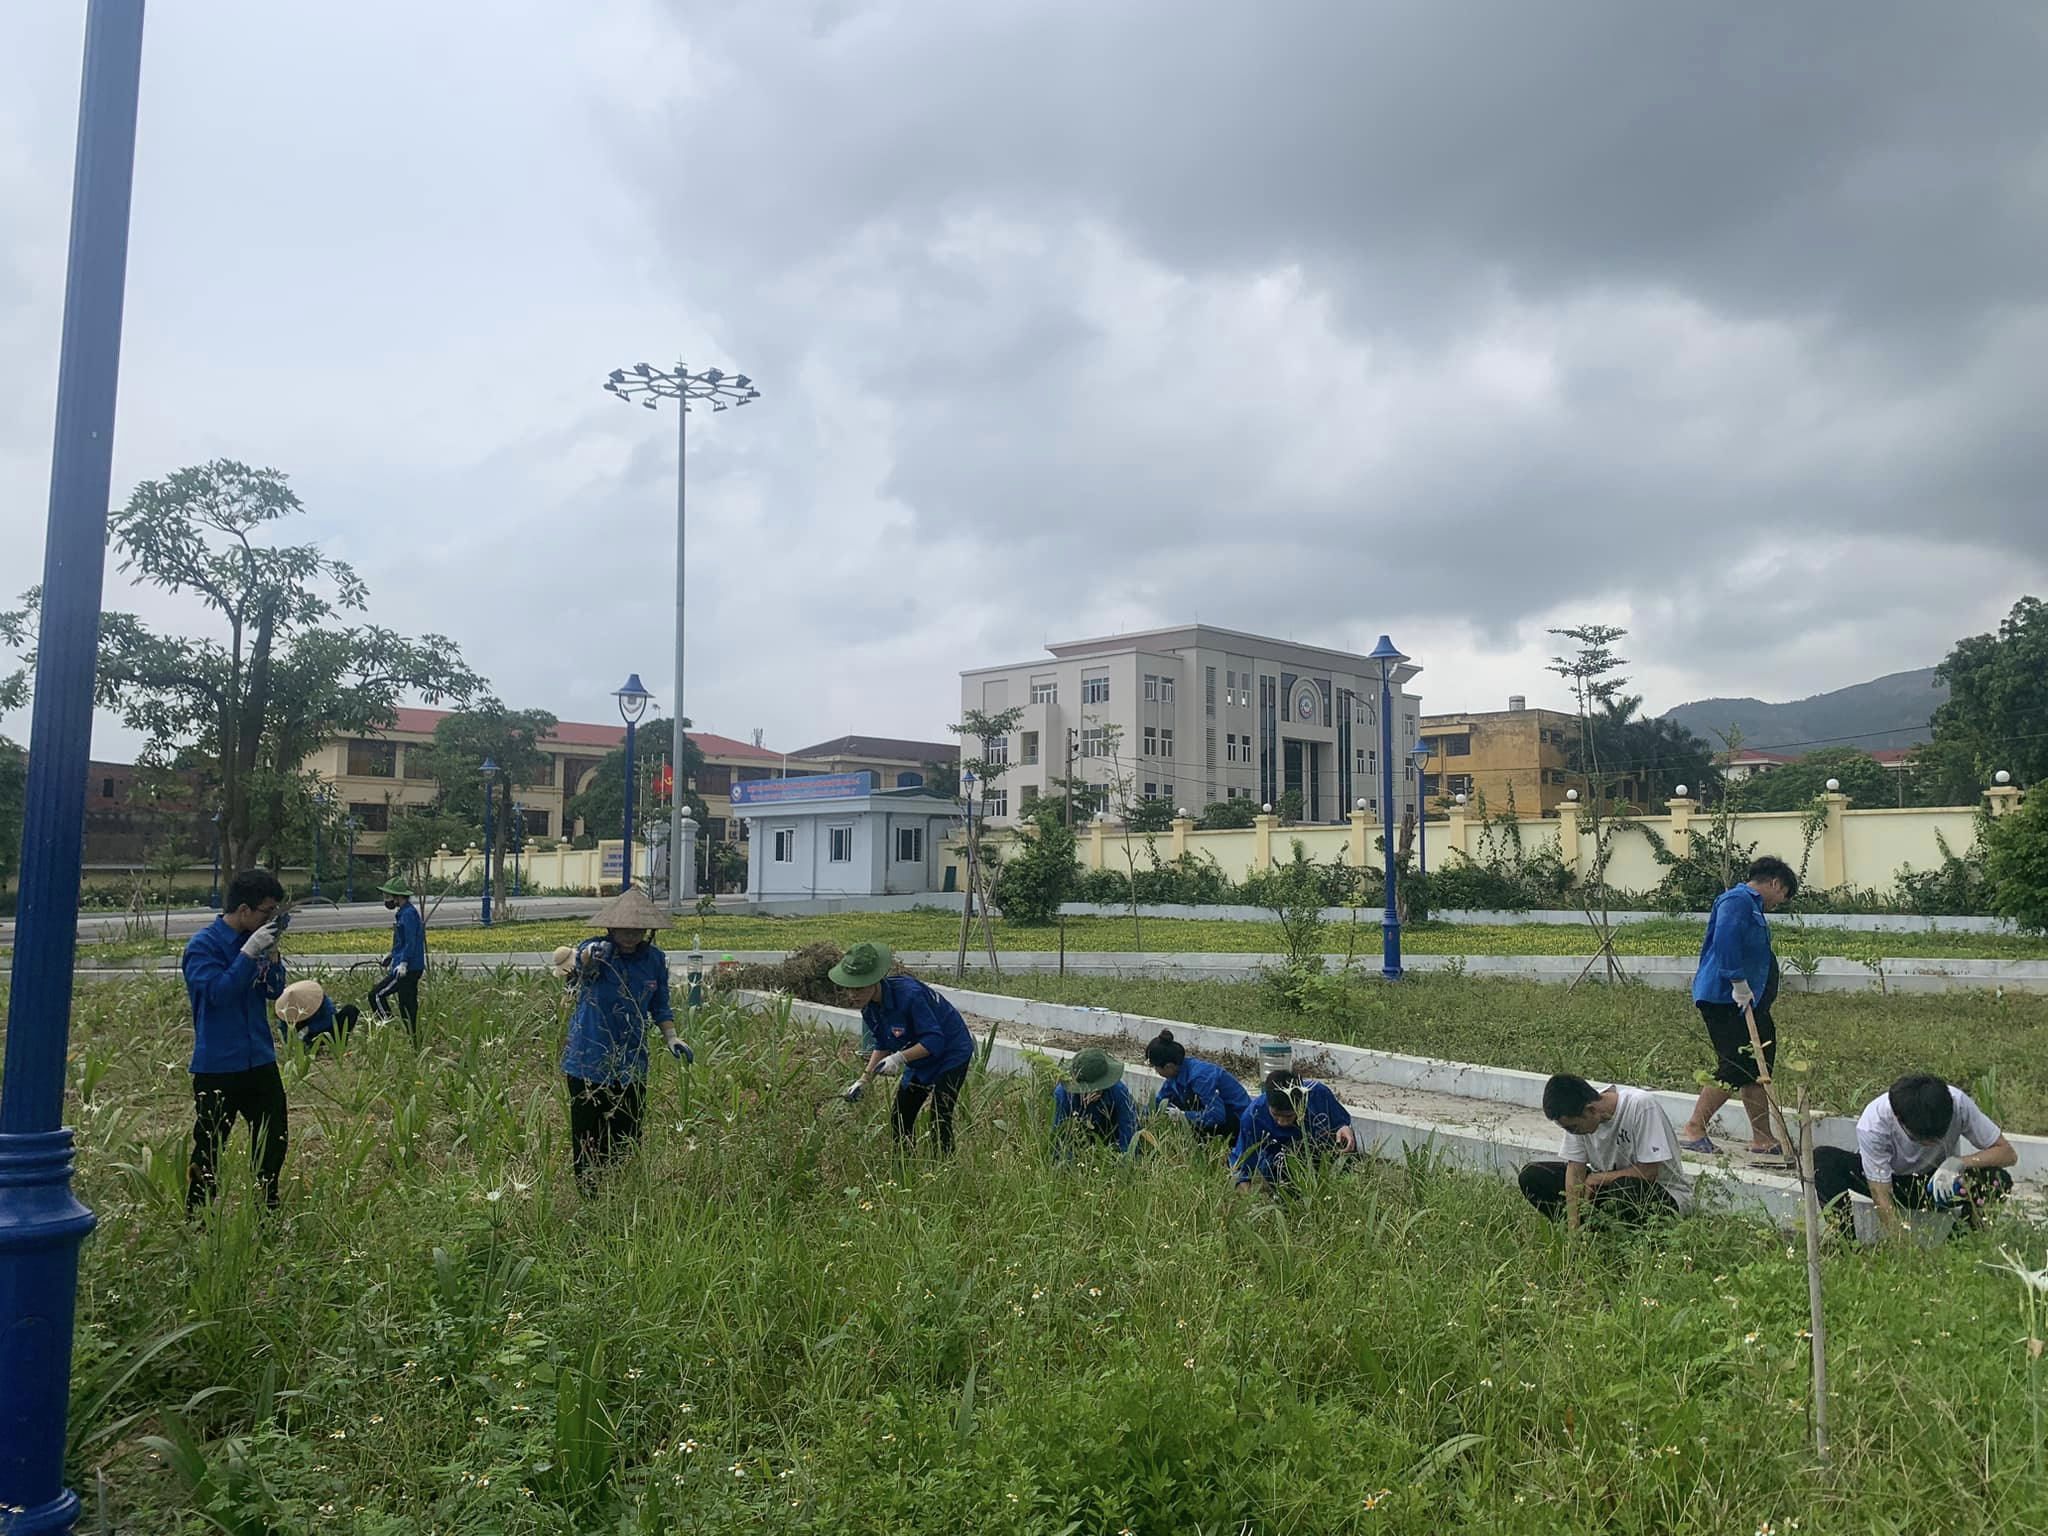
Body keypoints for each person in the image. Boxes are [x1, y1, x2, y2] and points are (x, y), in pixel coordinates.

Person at [558, 885, 691, 1194]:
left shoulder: (654, 959)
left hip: (630, 1061)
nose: (630, 935)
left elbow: (660, 1004)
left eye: (637, 929)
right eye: (624, 929)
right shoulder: (598, 950)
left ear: (647, 930)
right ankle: (589, 1194)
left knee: (626, 1132)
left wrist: (672, 1037)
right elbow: (579, 964)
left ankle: (619, 1192)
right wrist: (590, 956)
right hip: (588, 1059)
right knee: (588, 1134)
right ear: (611, 927)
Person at [183, 869, 291, 1211]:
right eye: (266, 912)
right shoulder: (203, 947)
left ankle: (266, 1211)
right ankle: (198, 1218)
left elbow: (274, 992)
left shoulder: (258, 943)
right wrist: (247, 954)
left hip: (259, 1058)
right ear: (244, 910)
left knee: (274, 1139)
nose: (269, 919)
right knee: (210, 1146)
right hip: (219, 1065)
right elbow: (219, 993)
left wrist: (271, 958)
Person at [1679, 855, 1798, 1159]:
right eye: (1782, 895)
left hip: (1748, 1001)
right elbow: (1726, 940)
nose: (1779, 903)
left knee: (1759, 1065)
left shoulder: (1752, 906)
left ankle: (1762, 1137)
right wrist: (1737, 983)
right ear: (1775, 883)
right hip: (1725, 998)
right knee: (1737, 1064)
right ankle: (1694, 1128)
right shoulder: (1737, 900)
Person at [1815, 1074, 2017, 1239]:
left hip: (1939, 1183)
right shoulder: (1874, 1123)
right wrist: (1902, 1245)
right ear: (1898, 1118)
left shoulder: (1958, 1103)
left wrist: (1959, 1162)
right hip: (1892, 1182)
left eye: (1938, 1138)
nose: (1931, 1144)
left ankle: (1962, 1242)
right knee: (1822, 1160)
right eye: (1921, 1140)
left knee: (1998, 1180)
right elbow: (1881, 1195)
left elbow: (2007, 1153)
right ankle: (1848, 1246)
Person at [832, 942, 977, 1152]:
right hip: (918, 1055)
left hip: (951, 1052)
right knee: (900, 1116)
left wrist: (898, 1058)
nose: (853, 995)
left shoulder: (910, 995)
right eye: (849, 989)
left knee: (940, 1116)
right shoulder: (869, 1008)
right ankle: (903, 1169)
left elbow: (935, 1041)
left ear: (875, 980)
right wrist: (864, 1080)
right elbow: (883, 1042)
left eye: (859, 988)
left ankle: (944, 1168)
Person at [1519, 1074, 1693, 1230]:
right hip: (1606, 1189)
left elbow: (1649, 1172)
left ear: (1591, 1110)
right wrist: (1574, 1224)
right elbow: (1575, 1171)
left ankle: (1642, 1239)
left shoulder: (1640, 1105)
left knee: (1625, 1188)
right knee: (1533, 1176)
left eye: (1573, 1128)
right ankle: (1588, 1231)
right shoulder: (1576, 1116)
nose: (1572, 1133)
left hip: (1661, 1193)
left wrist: (1598, 1178)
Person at [1231, 1070, 1356, 1193]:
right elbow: (1243, 1160)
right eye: (1276, 1115)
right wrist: (1245, 1191)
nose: (1281, 1122)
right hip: (1280, 1162)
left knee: (1343, 1142)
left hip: (1318, 1151)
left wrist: (1344, 1128)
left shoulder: (1318, 1094)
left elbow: (1341, 1123)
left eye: (1288, 1116)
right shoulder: (1253, 1116)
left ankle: (1344, 1185)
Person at [1145, 1029, 1250, 1142]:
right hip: (1219, 1116)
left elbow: (1217, 1116)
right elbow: (1159, 1102)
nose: (1156, 1071)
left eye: (1156, 1068)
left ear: (1168, 1066)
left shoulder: (1201, 1077)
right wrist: (1143, 1116)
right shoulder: (1175, 1075)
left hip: (1239, 1122)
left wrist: (1184, 1116)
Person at [1052, 1048, 1139, 1156]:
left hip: (1110, 1140)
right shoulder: (1062, 1094)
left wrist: (1124, 1160)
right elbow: (1059, 1135)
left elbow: (1128, 1128)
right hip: (1079, 1141)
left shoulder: (1119, 1091)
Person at [369, 876, 426, 1040]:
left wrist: (404, 962)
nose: (386, 900)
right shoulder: (404, 913)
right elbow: (401, 941)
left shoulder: (408, 914)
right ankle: (413, 1040)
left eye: (388, 896)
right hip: (408, 965)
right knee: (407, 1005)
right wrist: (392, 955)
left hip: (408, 968)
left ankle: (387, 1027)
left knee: (376, 995)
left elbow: (411, 941)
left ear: (398, 897)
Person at [275, 979, 359, 1050]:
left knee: (350, 1010)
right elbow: (284, 1030)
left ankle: (339, 1043)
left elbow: (330, 1018)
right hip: (306, 1037)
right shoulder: (287, 1008)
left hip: (325, 1030)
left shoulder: (320, 999)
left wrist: (309, 1028)